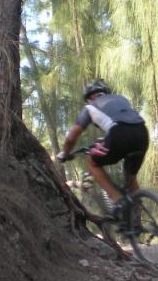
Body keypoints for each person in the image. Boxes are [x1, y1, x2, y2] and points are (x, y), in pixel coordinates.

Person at [57, 79, 149, 217]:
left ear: (89, 98)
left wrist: (65, 153)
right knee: (130, 176)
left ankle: (117, 200)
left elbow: (71, 138)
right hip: (142, 133)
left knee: (91, 161)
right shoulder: (121, 99)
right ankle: (137, 213)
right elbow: (122, 120)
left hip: (119, 133)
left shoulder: (90, 107)